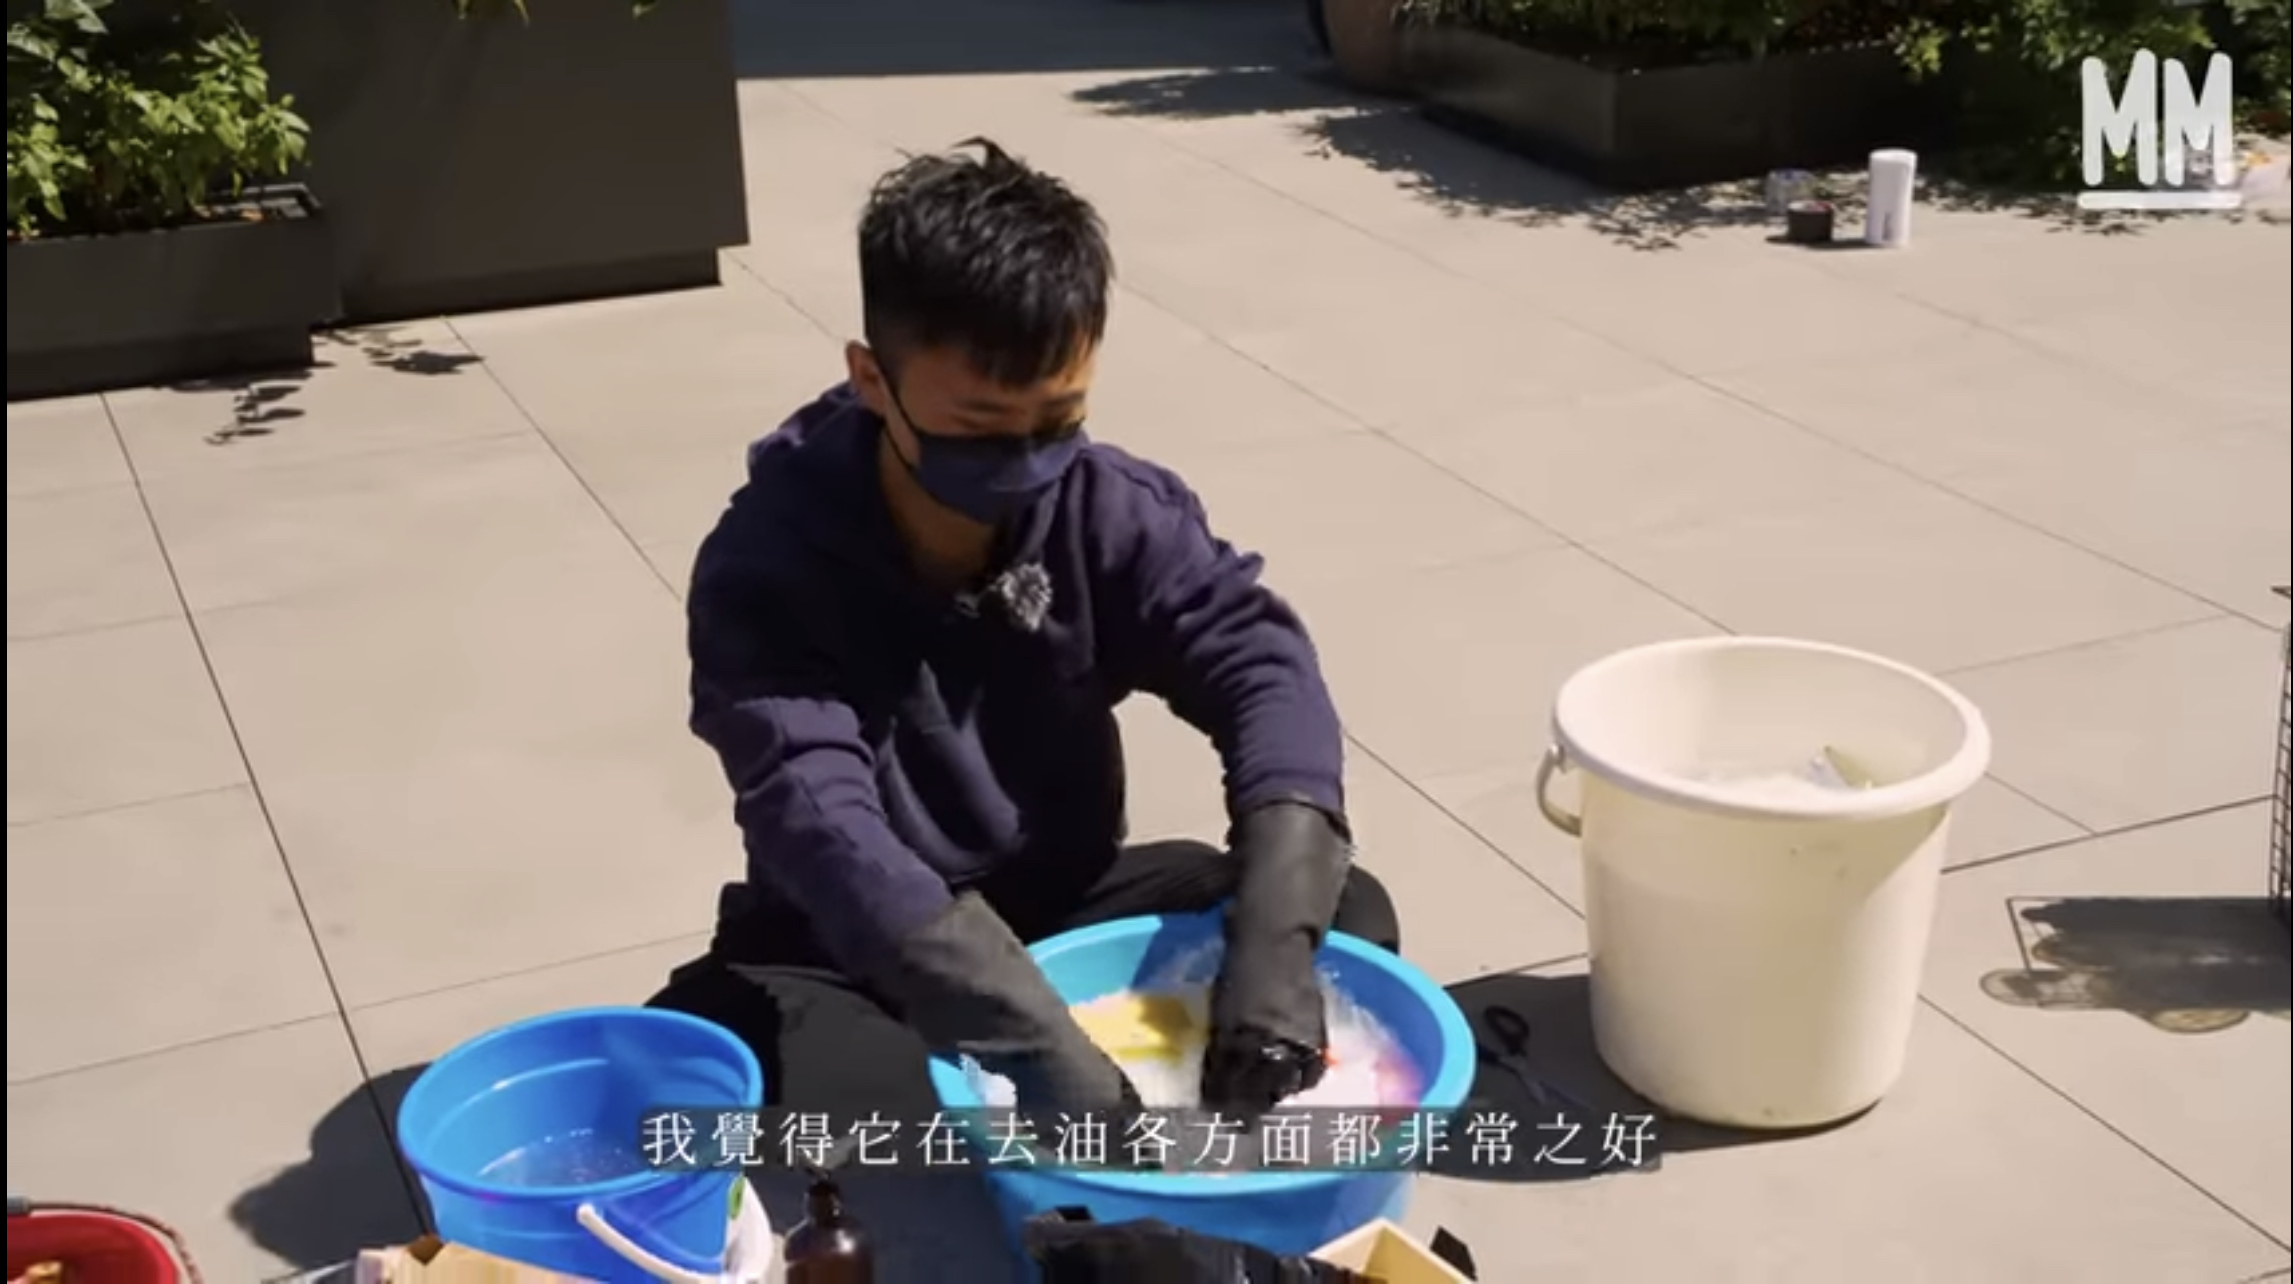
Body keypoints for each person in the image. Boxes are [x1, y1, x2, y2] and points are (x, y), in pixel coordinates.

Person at [650, 138, 1399, 1128]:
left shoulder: (1109, 510)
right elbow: (818, 821)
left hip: (1061, 899)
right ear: (871, 379)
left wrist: (1272, 954)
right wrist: (1030, 1037)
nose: (1023, 463)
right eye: (979, 426)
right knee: (775, 1074)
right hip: (849, 942)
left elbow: (1262, 667)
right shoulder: (767, 565)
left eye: (1057, 421)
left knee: (1335, 920)